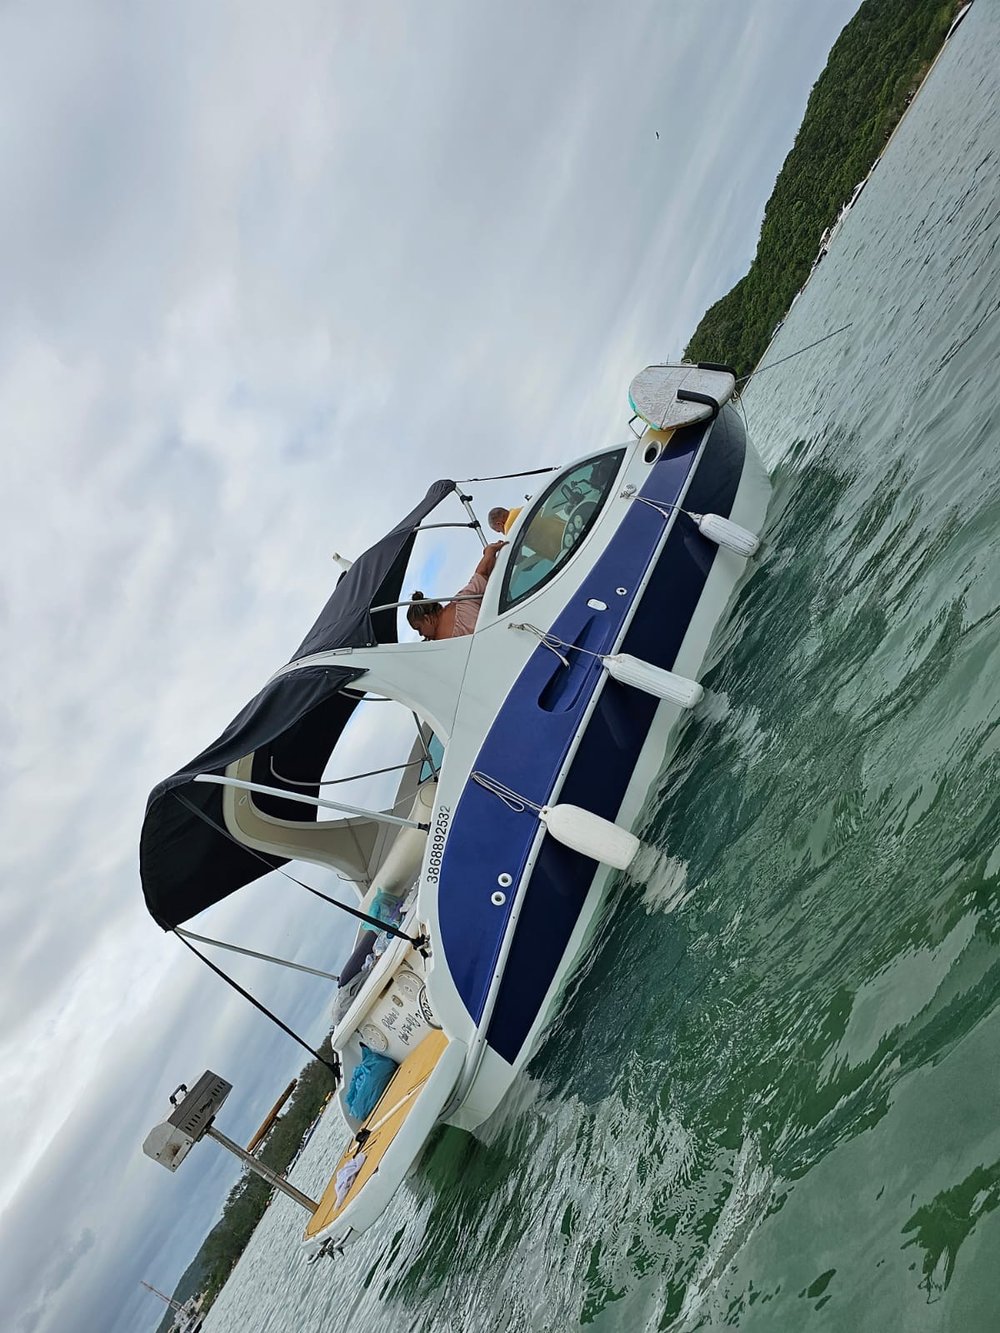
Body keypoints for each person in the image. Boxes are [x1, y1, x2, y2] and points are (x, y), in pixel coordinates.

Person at [406, 541, 505, 640]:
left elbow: (482, 574)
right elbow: (482, 574)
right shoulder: (462, 599)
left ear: (427, 619)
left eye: (419, 628)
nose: (420, 634)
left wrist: (489, 552)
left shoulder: (461, 601)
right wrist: (489, 552)